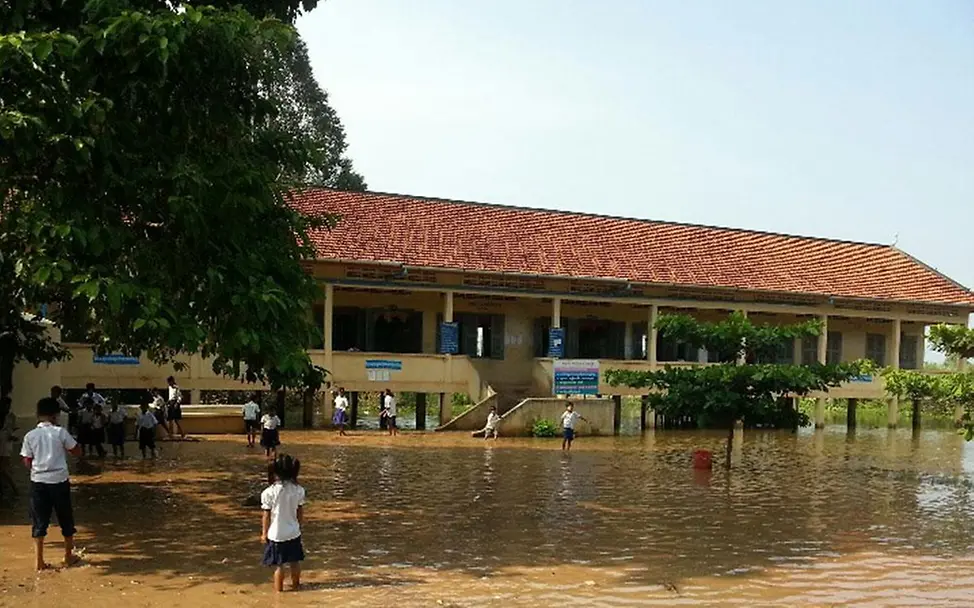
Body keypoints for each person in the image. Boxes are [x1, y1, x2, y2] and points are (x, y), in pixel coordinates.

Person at [20, 397, 83, 571]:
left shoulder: (30, 435)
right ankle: (68, 556)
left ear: (38, 415)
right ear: (56, 415)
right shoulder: (60, 432)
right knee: (66, 519)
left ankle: (39, 561)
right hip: (59, 481)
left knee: (39, 521)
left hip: (38, 482)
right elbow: (76, 451)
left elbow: (26, 461)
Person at [260, 454, 305, 593]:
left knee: (279, 566)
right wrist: (299, 526)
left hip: (276, 534)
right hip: (293, 532)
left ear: (275, 472)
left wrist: (264, 533)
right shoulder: (299, 490)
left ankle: (279, 593)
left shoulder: (269, 492)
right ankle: (297, 586)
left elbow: (266, 515)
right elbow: (300, 512)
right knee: (295, 562)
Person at [0, 396, 20, 498]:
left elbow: (15, 429)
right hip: (2, 442)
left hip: (6, 445)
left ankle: (14, 488)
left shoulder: (11, 416)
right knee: (3, 469)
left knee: (3, 469)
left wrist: (13, 436)